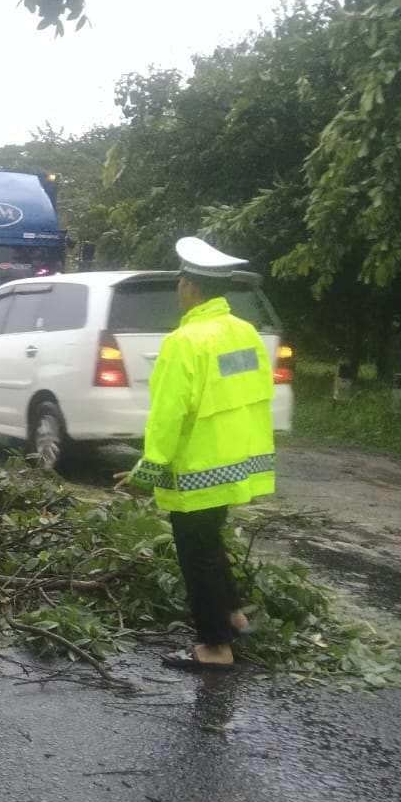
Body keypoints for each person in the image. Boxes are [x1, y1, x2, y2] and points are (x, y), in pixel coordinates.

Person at [117, 237, 276, 671]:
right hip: (235, 463)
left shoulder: (184, 341)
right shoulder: (244, 333)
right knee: (211, 543)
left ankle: (215, 648)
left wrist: (145, 471)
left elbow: (169, 417)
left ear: (188, 286)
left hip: (197, 468)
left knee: (197, 555)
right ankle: (233, 617)